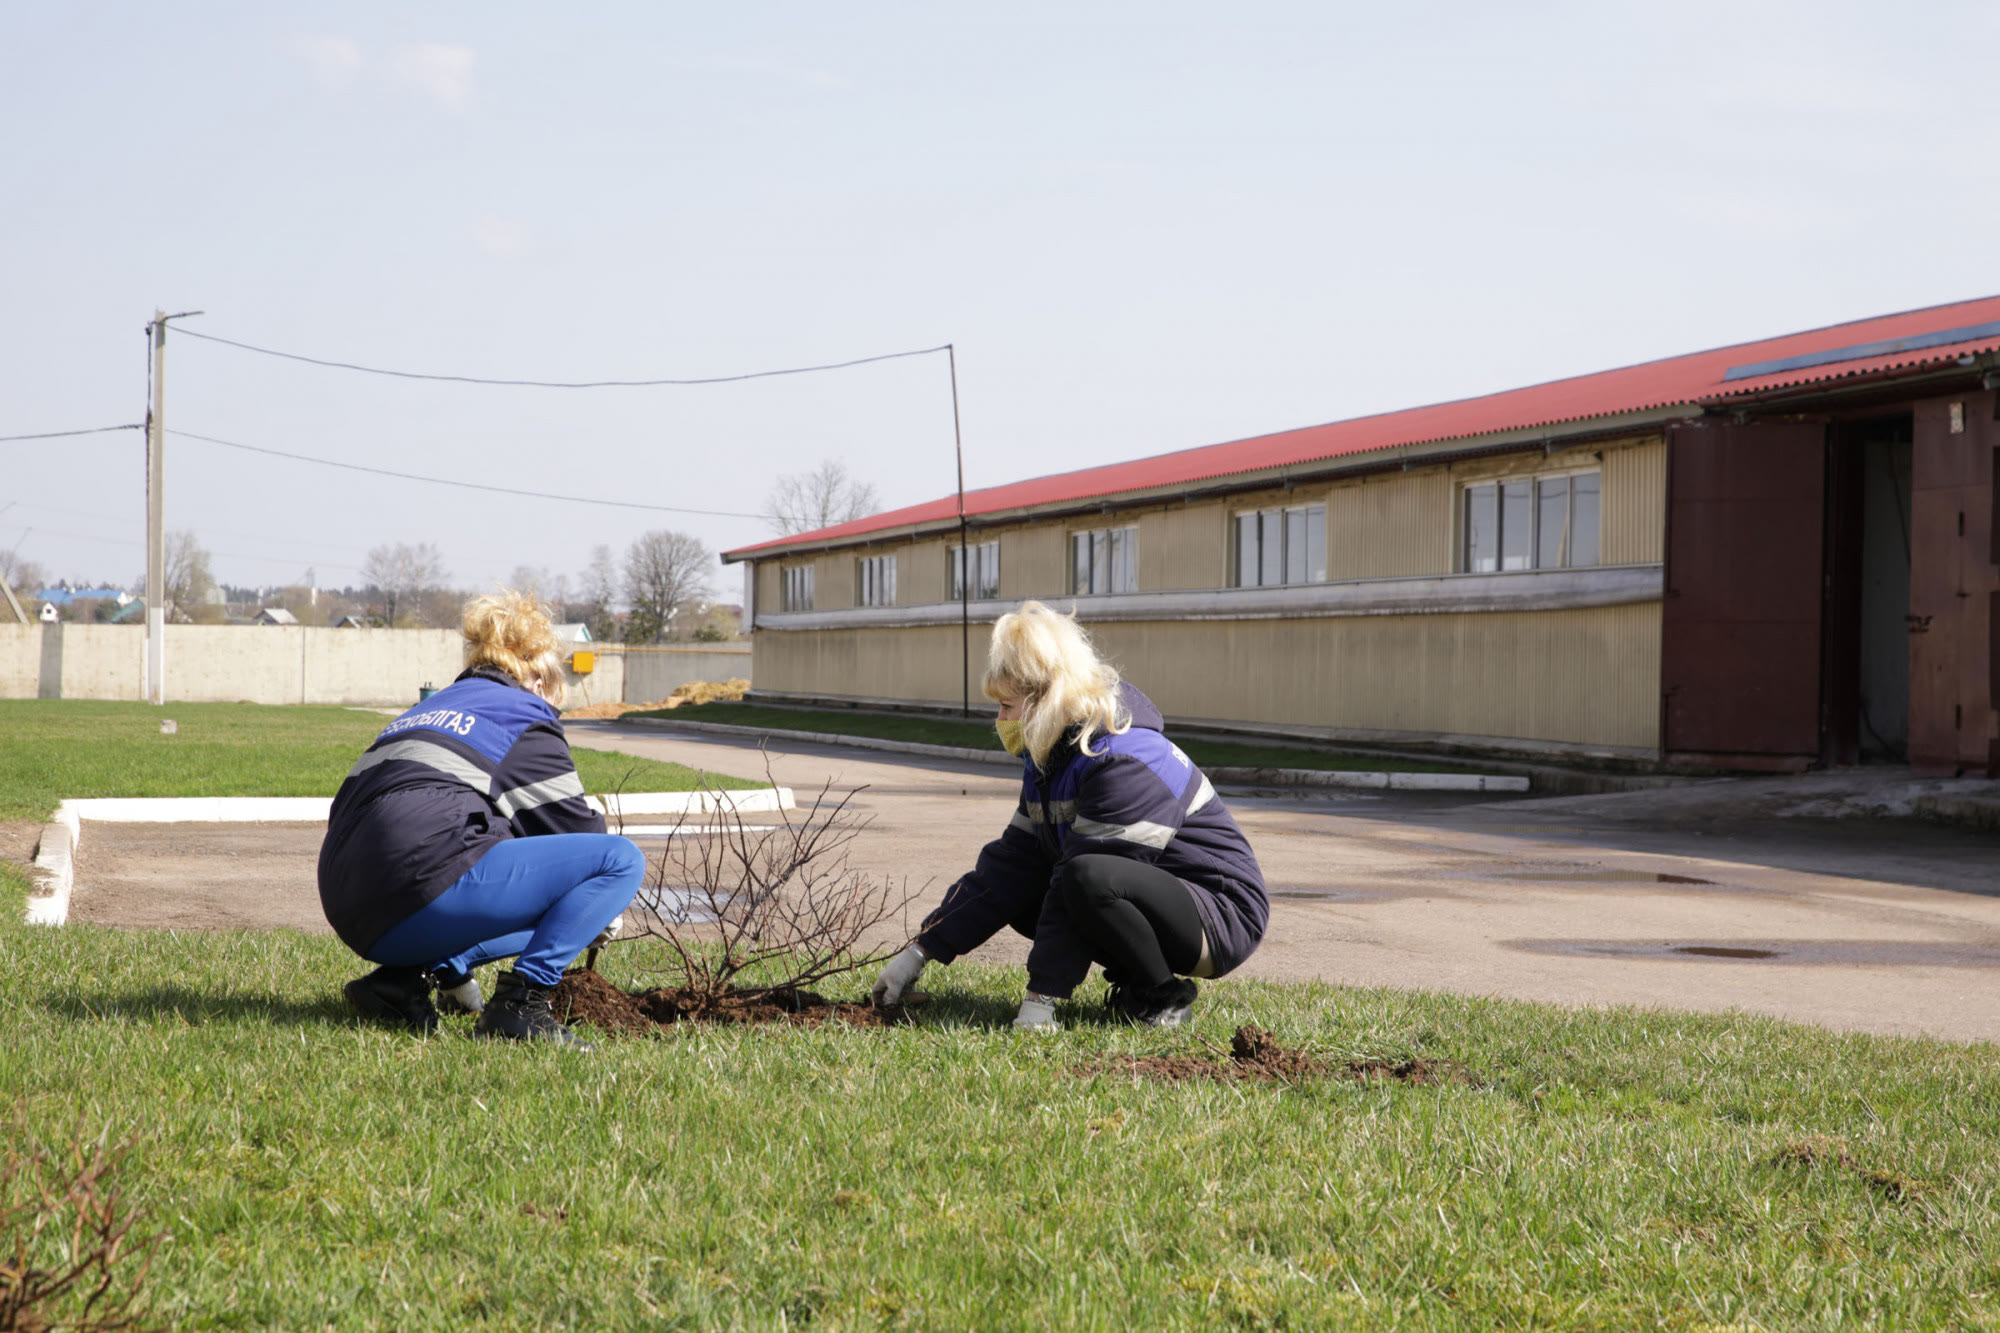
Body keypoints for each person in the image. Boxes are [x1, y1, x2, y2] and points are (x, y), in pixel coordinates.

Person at [872, 601, 1269, 1030]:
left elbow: (1079, 881)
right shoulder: (1052, 759)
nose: (999, 720)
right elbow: (1008, 867)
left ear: (1046, 700)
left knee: (1085, 878)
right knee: (1030, 885)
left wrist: (1040, 1003)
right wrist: (920, 951)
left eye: (1006, 706)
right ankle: (1135, 980)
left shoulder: (1124, 760)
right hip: (1151, 895)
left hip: (1220, 915)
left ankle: (1162, 997)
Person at [318, 590, 644, 1048]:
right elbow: (575, 833)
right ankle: (521, 1005)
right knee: (620, 862)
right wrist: (598, 914)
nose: (552, 711)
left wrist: (456, 981)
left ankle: (402, 982)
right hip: (415, 887)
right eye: (553, 698)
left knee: (486, 845)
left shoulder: (427, 709)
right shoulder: (524, 713)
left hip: (349, 902)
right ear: (535, 678)